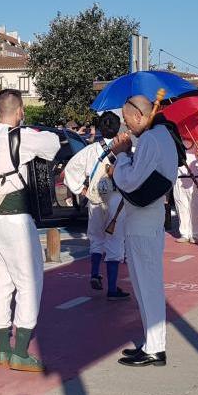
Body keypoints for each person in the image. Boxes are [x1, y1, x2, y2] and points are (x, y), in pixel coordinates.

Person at [0, 90, 61, 372]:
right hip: (16, 218)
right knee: (29, 281)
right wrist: (29, 128)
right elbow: (54, 144)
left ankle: (3, 349)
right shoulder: (22, 136)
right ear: (19, 110)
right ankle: (20, 351)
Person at [110, 94, 183, 367]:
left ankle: (155, 348)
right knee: (143, 285)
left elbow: (131, 181)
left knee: (148, 285)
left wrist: (121, 157)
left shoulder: (152, 139)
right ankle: (151, 344)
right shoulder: (160, 136)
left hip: (144, 219)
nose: (126, 128)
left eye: (127, 121)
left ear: (140, 116)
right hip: (146, 218)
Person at [63, 112, 130, 300]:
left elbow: (70, 168)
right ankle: (112, 288)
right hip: (116, 200)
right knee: (115, 241)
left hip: (95, 199)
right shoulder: (123, 149)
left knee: (96, 238)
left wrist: (80, 190)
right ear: (118, 128)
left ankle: (94, 273)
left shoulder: (91, 149)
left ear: (100, 128)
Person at [173, 138, 198, 245]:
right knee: (181, 205)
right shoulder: (175, 142)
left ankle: (196, 233)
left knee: (197, 207)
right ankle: (184, 233)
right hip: (180, 177)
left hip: (197, 178)